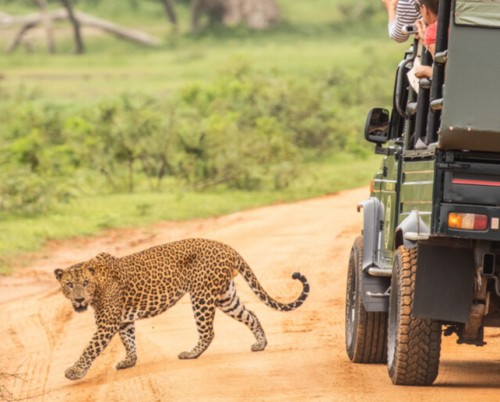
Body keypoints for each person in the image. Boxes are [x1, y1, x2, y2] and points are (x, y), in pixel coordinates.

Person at [414, 0, 439, 78]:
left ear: (424, 9)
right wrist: (426, 41)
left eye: (419, 7)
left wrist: (424, 70)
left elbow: (443, 76)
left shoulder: (432, 31)